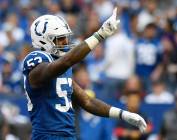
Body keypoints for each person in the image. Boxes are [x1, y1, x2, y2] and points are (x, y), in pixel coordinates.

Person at [22, 8, 147, 140]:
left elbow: (87, 101)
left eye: (65, 37)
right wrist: (99, 35)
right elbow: (65, 62)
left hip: (69, 135)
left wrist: (123, 114)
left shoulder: (62, 66)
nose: (65, 42)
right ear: (43, 41)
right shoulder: (36, 61)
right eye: (60, 39)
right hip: (47, 136)